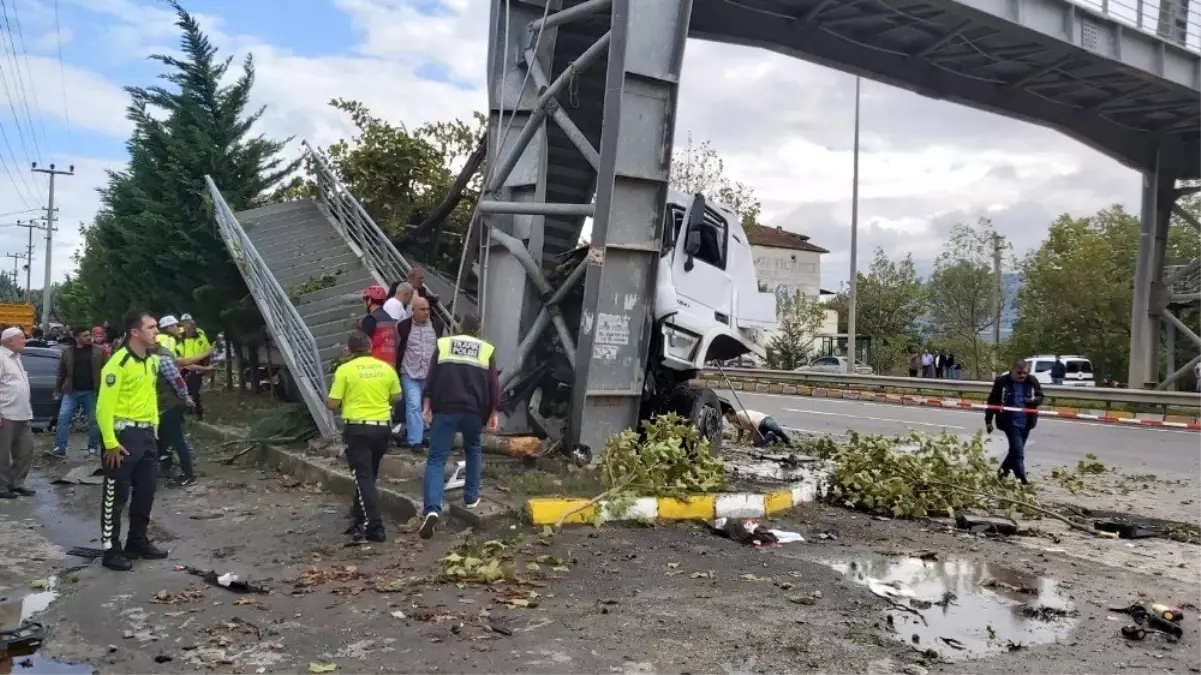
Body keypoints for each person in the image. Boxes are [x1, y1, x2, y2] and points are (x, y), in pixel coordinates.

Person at [96, 311, 178, 571]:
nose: (157, 331)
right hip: (122, 437)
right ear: (135, 332)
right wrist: (109, 441)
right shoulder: (117, 363)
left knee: (146, 491)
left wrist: (153, 426)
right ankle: (111, 549)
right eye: (152, 327)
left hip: (145, 435)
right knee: (115, 495)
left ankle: (137, 541)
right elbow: (103, 408)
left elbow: (150, 396)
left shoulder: (151, 361)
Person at [418, 313, 499, 539]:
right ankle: (471, 497)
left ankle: (432, 508)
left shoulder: (444, 344)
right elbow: (493, 384)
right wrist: (494, 411)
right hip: (473, 411)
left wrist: (427, 403)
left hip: (445, 409)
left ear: (460, 325)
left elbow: (431, 377)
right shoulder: (486, 349)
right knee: (473, 449)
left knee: (436, 458)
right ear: (478, 329)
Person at [326, 331, 402, 543]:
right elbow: (396, 397)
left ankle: (375, 527)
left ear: (349, 350)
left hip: (358, 430)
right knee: (369, 475)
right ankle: (358, 516)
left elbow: (332, 403)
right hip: (382, 430)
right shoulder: (386, 368)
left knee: (363, 477)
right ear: (370, 346)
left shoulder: (345, 370)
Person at [152, 316, 201, 486]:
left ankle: (188, 474)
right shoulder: (153, 354)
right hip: (161, 403)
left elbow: (176, 379)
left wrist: (185, 396)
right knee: (163, 438)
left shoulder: (162, 356)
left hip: (170, 403)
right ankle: (167, 466)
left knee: (176, 439)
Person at [985, 359, 1044, 486]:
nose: (1022, 376)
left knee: (1015, 450)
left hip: (1027, 421)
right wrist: (988, 421)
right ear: (1012, 371)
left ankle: (1002, 473)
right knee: (1018, 453)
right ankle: (1022, 480)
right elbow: (992, 401)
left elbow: (1040, 397)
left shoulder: (1032, 380)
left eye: (1024, 373)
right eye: (1019, 373)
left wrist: (1033, 400)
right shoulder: (1002, 381)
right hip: (1009, 422)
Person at [52, 326, 107, 457]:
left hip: (91, 392)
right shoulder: (68, 352)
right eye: (85, 336)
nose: (88, 338)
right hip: (71, 392)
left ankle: (93, 447)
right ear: (77, 338)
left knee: (94, 421)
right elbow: (61, 373)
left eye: (89, 335)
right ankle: (60, 446)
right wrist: (57, 390)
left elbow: (107, 371)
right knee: (63, 418)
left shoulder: (99, 351)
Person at [395, 296, 441, 452]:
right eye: (422, 309)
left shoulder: (437, 325)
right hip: (409, 372)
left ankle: (429, 437)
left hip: (430, 375)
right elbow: (398, 347)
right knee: (413, 406)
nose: (426, 312)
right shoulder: (403, 327)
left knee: (428, 408)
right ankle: (415, 441)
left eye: (428, 309)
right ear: (413, 310)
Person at [0, 327, 34, 499]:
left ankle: (16, 483)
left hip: (23, 413)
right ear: (10, 341)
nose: (25, 341)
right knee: (2, 453)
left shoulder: (17, 357)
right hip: (5, 413)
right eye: (21, 338)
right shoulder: (1, 357)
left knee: (26, 450)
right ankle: (2, 486)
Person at [178, 314, 214, 420]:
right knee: (184, 390)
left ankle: (198, 413)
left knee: (194, 391)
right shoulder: (180, 338)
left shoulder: (200, 336)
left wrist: (206, 366)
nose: (186, 326)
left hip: (197, 367)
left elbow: (207, 350)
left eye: (188, 323)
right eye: (184, 323)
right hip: (183, 367)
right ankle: (188, 411)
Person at [359, 285, 398, 367]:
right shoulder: (390, 319)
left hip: (376, 368)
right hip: (391, 368)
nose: (363, 304)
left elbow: (361, 346)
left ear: (369, 300)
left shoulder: (370, 319)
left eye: (364, 301)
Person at [724, 407, 790, 447]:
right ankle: (772, 437)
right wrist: (738, 441)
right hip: (759, 429)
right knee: (757, 444)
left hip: (763, 420)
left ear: (733, 414)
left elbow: (754, 427)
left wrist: (748, 441)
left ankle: (787, 440)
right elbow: (740, 430)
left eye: (728, 417)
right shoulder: (734, 422)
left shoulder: (742, 415)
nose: (727, 419)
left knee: (774, 428)